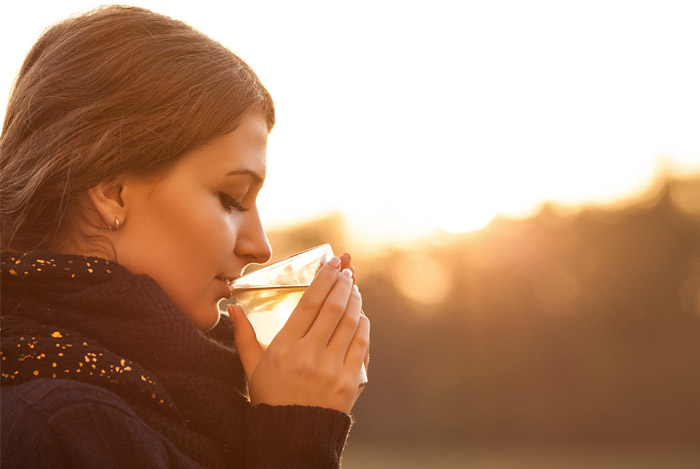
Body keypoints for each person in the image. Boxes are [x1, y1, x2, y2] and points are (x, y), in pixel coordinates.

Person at [0, 5, 370, 468]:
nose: (260, 246)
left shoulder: (178, 404)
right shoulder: (66, 428)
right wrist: (297, 434)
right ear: (113, 193)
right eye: (231, 198)